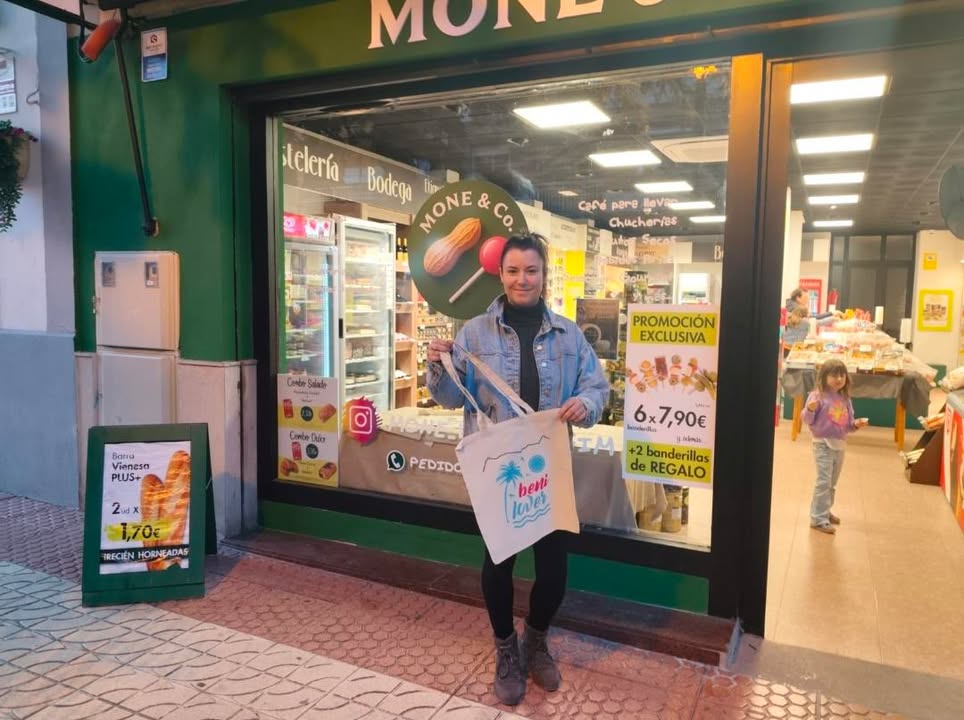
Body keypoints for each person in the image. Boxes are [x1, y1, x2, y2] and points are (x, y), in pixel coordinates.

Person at [426, 232, 609, 706]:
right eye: (513, 271)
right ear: (500, 274)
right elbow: (447, 398)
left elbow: (598, 390)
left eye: (531, 270)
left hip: (548, 467)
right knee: (499, 562)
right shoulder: (473, 333)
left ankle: (537, 638)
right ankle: (506, 648)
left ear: (545, 276)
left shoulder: (570, 336)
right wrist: (439, 365)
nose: (522, 279)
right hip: (499, 471)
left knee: (553, 569)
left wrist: (584, 404)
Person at [801, 359, 867, 534]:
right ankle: (817, 518)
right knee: (823, 481)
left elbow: (847, 424)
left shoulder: (845, 399)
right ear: (824, 377)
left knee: (832, 482)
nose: (839, 379)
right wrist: (810, 409)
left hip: (840, 444)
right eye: (834, 375)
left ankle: (825, 511)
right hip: (822, 444)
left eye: (842, 375)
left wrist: (856, 425)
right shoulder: (817, 396)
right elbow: (807, 420)